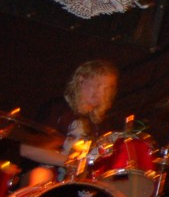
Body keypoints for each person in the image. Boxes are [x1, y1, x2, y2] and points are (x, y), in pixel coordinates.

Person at [19, 59, 119, 187]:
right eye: (97, 85)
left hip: (77, 185)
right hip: (43, 178)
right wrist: (72, 162)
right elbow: (28, 150)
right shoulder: (56, 108)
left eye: (105, 88)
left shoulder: (101, 124)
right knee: (41, 174)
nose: (100, 92)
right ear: (81, 80)